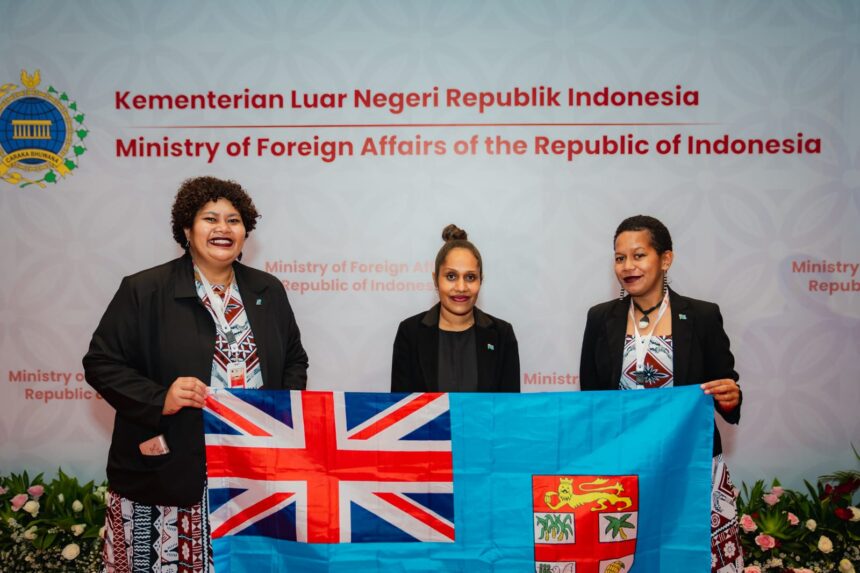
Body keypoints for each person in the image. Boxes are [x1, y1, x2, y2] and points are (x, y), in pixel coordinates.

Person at [83, 176, 308, 572]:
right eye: (210, 218)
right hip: (166, 472)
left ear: (245, 231)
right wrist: (159, 398)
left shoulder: (268, 290)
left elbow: (294, 360)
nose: (223, 228)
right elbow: (101, 363)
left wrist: (275, 415)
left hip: (250, 470)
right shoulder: (144, 289)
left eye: (234, 220)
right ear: (187, 229)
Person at [579, 214, 743, 573]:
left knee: (695, 561)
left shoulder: (701, 316)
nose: (627, 266)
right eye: (620, 257)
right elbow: (591, 401)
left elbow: (727, 391)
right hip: (624, 470)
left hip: (691, 467)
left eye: (639, 255)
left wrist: (731, 397)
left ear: (665, 259)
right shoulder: (600, 318)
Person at [391, 224, 520, 393]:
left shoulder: (502, 335)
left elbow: (507, 412)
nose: (461, 287)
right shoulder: (410, 333)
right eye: (451, 276)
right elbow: (401, 411)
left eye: (470, 277)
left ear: (481, 280)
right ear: (435, 280)